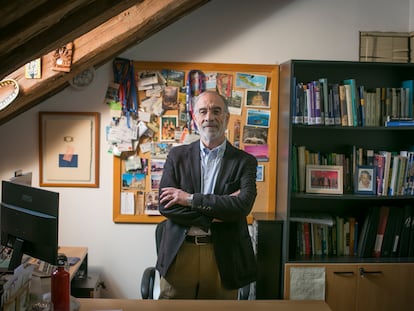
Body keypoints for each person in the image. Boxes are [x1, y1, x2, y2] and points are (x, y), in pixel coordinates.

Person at [156, 90, 258, 299]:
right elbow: (166, 206)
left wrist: (189, 199)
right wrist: (221, 210)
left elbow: (243, 207)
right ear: (195, 118)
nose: (209, 117)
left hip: (224, 255)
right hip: (180, 253)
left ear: (226, 117)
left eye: (216, 111)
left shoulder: (245, 161)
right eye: (203, 111)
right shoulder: (177, 156)